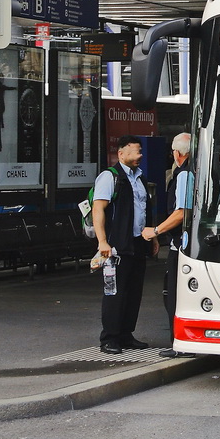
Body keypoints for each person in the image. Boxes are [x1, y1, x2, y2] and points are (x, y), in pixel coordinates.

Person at [92, 135, 158, 354]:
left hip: (137, 243)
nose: (140, 155)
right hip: (116, 246)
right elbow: (98, 209)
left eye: (140, 151)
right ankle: (109, 338)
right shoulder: (110, 177)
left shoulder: (139, 178)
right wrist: (103, 241)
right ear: (121, 154)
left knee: (133, 291)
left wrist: (153, 237)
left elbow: (144, 210)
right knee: (115, 291)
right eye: (135, 151)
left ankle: (125, 334)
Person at [142, 132, 193, 358]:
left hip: (180, 246)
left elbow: (181, 213)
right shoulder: (200, 171)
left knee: (174, 294)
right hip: (189, 244)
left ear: (177, 153)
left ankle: (179, 343)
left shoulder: (184, 175)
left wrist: (155, 231)